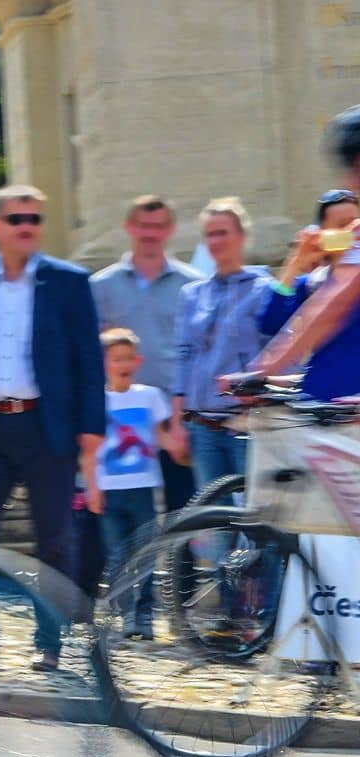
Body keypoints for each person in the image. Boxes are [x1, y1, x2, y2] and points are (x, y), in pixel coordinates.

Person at [0, 185, 105, 672]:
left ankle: (48, 643)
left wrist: (92, 427)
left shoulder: (69, 281)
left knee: (54, 538)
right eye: (16, 219)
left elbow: (89, 362)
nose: (27, 226)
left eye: (34, 217)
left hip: (46, 427)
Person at [91, 195, 202, 511]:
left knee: (185, 510)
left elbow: (196, 353)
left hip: (175, 416)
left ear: (170, 230)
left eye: (158, 226)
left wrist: (182, 420)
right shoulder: (100, 286)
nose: (150, 233)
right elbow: (90, 355)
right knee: (128, 518)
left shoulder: (193, 284)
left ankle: (184, 564)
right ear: (129, 227)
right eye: (143, 226)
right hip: (121, 421)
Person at [248, 110, 360, 398]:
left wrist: (265, 369)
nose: (350, 181)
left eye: (354, 170)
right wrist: (295, 264)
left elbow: (332, 308)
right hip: (332, 397)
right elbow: (271, 322)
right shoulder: (313, 282)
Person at [84, 328, 182, 639]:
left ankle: (145, 619)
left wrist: (180, 446)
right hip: (109, 489)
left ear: (137, 361)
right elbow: (89, 450)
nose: (123, 364)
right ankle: (123, 616)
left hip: (143, 488)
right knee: (117, 557)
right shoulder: (96, 401)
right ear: (105, 363)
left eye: (128, 358)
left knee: (148, 555)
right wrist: (92, 488)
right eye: (116, 359)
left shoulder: (150, 396)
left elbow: (164, 437)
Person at [172, 198, 272, 489]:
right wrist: (178, 423)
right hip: (202, 428)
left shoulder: (264, 288)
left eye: (223, 232)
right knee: (213, 526)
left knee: (257, 521)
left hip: (246, 425)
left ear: (242, 236)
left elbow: (280, 349)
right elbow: (183, 356)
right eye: (210, 234)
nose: (215, 241)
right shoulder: (191, 294)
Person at [256, 189, 359, 337]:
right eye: (343, 226)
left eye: (355, 224)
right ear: (322, 234)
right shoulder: (312, 285)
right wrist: (294, 266)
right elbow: (270, 325)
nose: (353, 232)